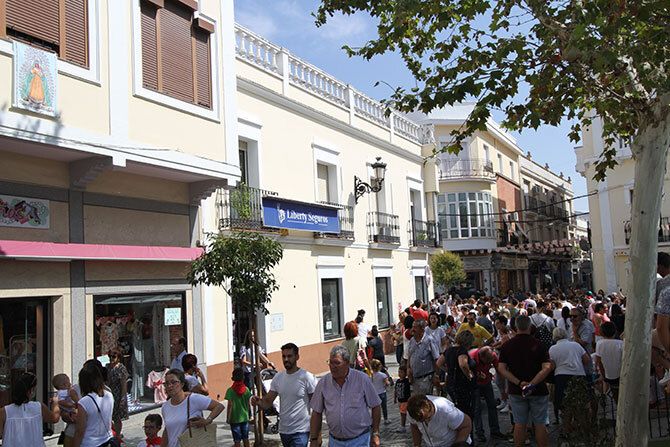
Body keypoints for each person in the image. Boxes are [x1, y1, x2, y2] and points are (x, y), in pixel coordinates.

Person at [309, 345, 382, 447]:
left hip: (360, 440)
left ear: (347, 363)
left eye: (337, 363)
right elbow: (316, 412)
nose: (332, 366)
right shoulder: (323, 383)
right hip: (335, 442)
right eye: (330, 362)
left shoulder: (362, 379)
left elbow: (376, 406)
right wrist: (314, 438)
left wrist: (375, 433)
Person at [498, 315, 553, 447]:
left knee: (519, 424)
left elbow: (501, 369)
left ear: (516, 327)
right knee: (540, 423)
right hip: (538, 389)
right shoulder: (539, 344)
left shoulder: (507, 346)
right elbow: (547, 367)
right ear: (530, 326)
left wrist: (518, 382)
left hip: (516, 390)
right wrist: (532, 383)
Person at [251, 342, 317, 447]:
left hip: (301, 431)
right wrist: (258, 401)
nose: (286, 359)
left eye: (289, 356)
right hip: (284, 431)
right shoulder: (278, 377)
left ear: (297, 357)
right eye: (283, 356)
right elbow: (267, 402)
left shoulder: (307, 377)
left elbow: (317, 407)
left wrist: (316, 435)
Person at [160, 368, 224, 447]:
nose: (170, 386)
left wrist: (207, 420)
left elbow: (219, 406)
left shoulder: (193, 399)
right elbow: (167, 430)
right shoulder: (165, 407)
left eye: (173, 382)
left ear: (182, 384)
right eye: (166, 383)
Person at [0, 372, 60, 446]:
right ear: (31, 390)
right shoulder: (39, 407)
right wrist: (56, 403)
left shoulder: (4, 411)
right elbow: (54, 418)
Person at [548, 327, 590, 423]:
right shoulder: (576, 345)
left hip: (561, 377)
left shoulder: (552, 349)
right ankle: (580, 425)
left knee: (564, 405)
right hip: (579, 375)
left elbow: (552, 366)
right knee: (580, 403)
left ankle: (567, 427)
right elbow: (586, 360)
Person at [469, 346, 507, 442]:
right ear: (481, 357)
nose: (489, 364)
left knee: (492, 405)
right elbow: (467, 372)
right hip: (474, 384)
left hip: (487, 382)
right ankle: (479, 433)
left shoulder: (492, 355)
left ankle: (495, 431)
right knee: (477, 409)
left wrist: (504, 388)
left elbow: (499, 369)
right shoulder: (472, 357)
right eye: (487, 362)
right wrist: (476, 375)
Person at [406, 394, 472, 447]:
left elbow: (466, 425)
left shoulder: (446, 410)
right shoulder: (411, 410)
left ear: (431, 407)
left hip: (453, 443)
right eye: (419, 421)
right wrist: (417, 445)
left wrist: (458, 444)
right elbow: (414, 426)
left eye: (427, 418)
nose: (423, 422)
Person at [73, 363, 114, 447]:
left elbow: (80, 431)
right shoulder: (109, 395)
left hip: (90, 442)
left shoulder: (84, 402)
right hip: (107, 439)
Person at [438, 330, 475, 419]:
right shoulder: (462, 350)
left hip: (450, 382)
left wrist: (448, 370)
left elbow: (439, 363)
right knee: (464, 411)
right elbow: (463, 364)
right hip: (461, 384)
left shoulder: (448, 350)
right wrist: (469, 375)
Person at [406, 319, 441, 395]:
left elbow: (436, 359)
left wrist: (436, 375)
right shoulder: (412, 340)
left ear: (422, 329)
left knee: (424, 399)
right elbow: (409, 356)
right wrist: (408, 368)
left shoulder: (429, 340)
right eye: (412, 327)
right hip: (414, 378)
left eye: (415, 327)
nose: (413, 329)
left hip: (426, 378)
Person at [595, 322, 624, 398]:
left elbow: (599, 361)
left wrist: (603, 375)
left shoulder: (599, 343)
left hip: (607, 375)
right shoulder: (621, 343)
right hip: (620, 375)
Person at [106, 347, 129, 440]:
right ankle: (113, 432)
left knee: (117, 417)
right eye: (110, 356)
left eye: (113, 357)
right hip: (108, 394)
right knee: (108, 415)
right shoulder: (107, 367)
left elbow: (124, 384)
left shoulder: (121, 368)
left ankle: (118, 435)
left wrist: (123, 397)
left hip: (117, 395)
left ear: (118, 358)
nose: (111, 358)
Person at [226, 367, 253, 447]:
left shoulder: (230, 390)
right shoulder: (246, 390)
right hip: (244, 417)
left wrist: (228, 418)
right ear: (243, 378)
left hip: (234, 419)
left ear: (233, 378)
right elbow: (248, 403)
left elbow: (230, 405)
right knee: (246, 438)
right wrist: (249, 414)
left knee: (237, 440)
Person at [53, 373, 78, 447]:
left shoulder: (66, 390)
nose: (70, 383)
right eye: (68, 381)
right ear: (62, 385)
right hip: (69, 410)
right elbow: (61, 402)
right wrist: (71, 405)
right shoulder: (62, 392)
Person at [370, 359, 390, 425]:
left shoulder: (371, 375)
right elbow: (387, 383)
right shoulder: (383, 375)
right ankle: (386, 419)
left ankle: (373, 420)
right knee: (384, 407)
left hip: (374, 394)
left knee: (374, 408)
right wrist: (387, 384)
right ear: (379, 366)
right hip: (382, 393)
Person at [393, 365, 411, 433]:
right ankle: (404, 425)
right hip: (400, 400)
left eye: (401, 372)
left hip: (405, 400)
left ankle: (403, 426)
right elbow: (395, 390)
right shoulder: (398, 381)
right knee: (402, 413)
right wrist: (395, 398)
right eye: (399, 372)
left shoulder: (406, 381)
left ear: (405, 373)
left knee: (403, 414)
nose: (399, 374)